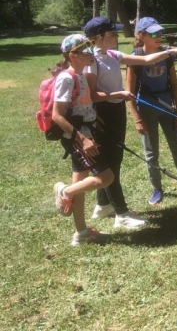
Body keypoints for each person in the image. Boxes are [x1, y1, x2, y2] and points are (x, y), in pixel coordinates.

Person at [83, 17, 177, 227]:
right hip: (102, 112)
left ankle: (103, 204)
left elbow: (145, 61)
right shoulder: (92, 62)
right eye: (112, 33)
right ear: (99, 38)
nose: (117, 35)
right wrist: (121, 93)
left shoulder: (112, 55)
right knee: (111, 162)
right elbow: (92, 95)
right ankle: (122, 215)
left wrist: (171, 52)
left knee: (114, 159)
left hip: (115, 110)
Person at [126, 18, 177, 204]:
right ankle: (156, 189)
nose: (158, 37)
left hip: (167, 106)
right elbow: (129, 92)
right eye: (153, 34)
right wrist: (137, 118)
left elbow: (175, 85)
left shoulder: (166, 54)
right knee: (151, 152)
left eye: (160, 33)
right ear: (141, 36)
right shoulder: (136, 57)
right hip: (146, 108)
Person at [52, 34, 115, 246]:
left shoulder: (80, 76)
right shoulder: (66, 78)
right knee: (105, 177)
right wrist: (83, 139)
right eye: (85, 50)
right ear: (73, 55)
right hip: (78, 137)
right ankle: (64, 192)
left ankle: (82, 234)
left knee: (80, 184)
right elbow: (57, 115)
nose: (91, 53)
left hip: (86, 133)